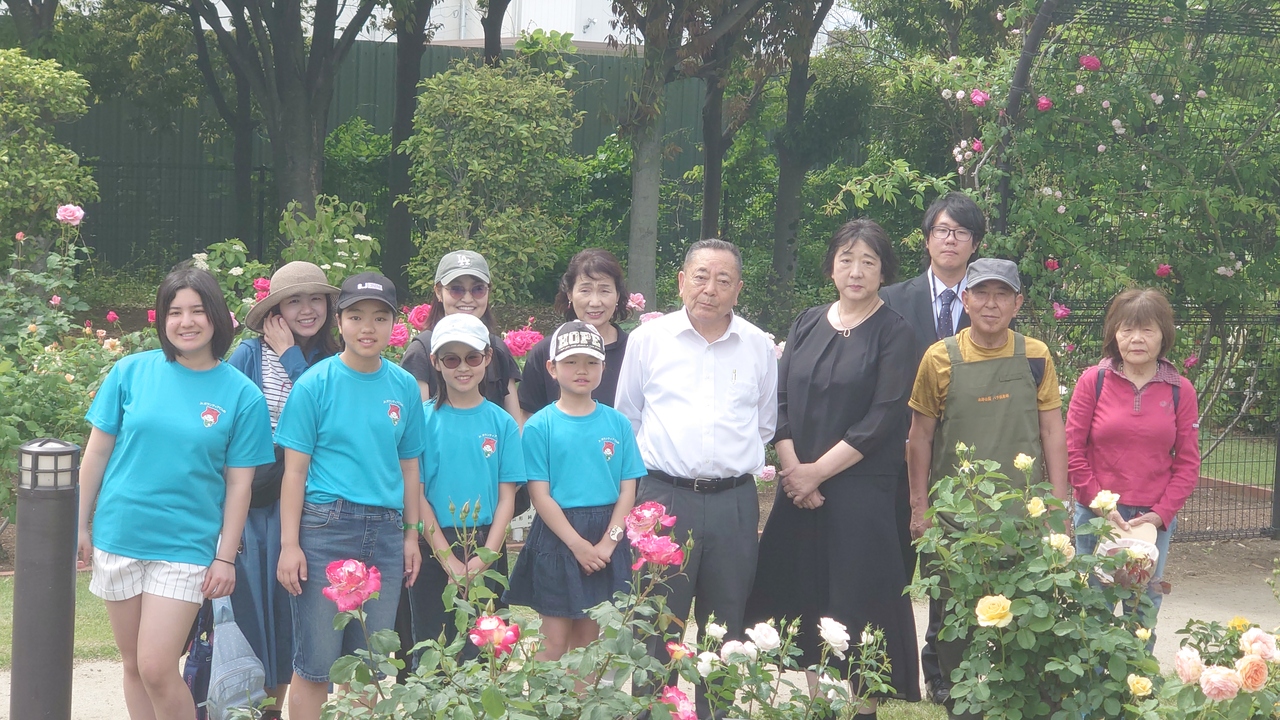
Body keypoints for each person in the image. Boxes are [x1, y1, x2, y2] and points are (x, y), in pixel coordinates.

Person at [77, 263, 274, 720]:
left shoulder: (242, 395)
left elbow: (240, 483)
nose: (186, 322)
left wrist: (225, 557)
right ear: (163, 320)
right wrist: (79, 523)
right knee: (132, 666)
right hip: (119, 534)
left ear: (217, 318)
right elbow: (96, 455)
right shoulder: (129, 372)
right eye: (175, 312)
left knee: (157, 666)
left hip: (186, 547)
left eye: (198, 311)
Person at [746, 220, 920, 716]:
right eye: (846, 259)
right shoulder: (806, 322)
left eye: (868, 261)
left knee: (858, 598)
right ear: (831, 267)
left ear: (884, 270)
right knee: (804, 595)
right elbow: (777, 401)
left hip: (861, 489)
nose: (856, 270)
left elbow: (884, 416)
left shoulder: (895, 332)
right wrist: (794, 470)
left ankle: (861, 707)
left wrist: (816, 473)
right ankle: (821, 702)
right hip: (798, 484)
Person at [615, 238, 778, 716]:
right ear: (682, 281)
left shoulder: (758, 345)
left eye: (723, 280)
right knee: (654, 624)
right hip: (664, 498)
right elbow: (628, 418)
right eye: (701, 276)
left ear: (738, 289)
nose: (711, 289)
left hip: (733, 502)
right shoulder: (649, 340)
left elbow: (763, 423)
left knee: (724, 627)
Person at [905, 258, 1069, 720]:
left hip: (1024, 517)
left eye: (1002, 295)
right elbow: (919, 438)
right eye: (981, 293)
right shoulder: (939, 357)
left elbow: (1053, 432)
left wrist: (1058, 508)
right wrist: (921, 510)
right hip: (957, 519)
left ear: (1018, 303)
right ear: (965, 300)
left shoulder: (1035, 355)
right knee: (955, 624)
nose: (991, 304)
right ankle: (963, 707)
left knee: (1023, 618)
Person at [274, 272, 427, 720]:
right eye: (356, 315)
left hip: (386, 532)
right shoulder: (315, 384)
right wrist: (289, 545)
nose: (367, 327)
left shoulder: (402, 387)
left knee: (372, 665)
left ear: (393, 326)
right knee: (317, 664)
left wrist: (412, 535)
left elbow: (410, 466)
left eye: (380, 318)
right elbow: (294, 473)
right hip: (325, 528)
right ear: (338, 321)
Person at [878, 191, 981, 704]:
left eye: (960, 232)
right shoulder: (892, 299)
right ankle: (886, 673)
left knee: (949, 577)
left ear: (974, 244)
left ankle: (941, 675)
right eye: (942, 229)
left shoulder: (988, 300)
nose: (950, 239)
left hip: (962, 467)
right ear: (926, 239)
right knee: (892, 568)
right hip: (893, 463)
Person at [227, 261, 340, 718]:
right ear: (276, 308)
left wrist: (292, 355)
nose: (307, 308)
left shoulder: (331, 361)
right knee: (253, 608)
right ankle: (259, 708)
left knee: (294, 609)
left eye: (316, 299)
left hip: (304, 501)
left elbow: (328, 415)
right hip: (251, 501)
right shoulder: (248, 356)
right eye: (295, 300)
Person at [504, 321, 644, 660]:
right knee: (552, 641)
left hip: (605, 536)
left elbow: (628, 490)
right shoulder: (540, 425)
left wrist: (609, 542)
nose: (582, 370)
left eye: (591, 362)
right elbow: (540, 494)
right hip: (558, 536)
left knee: (589, 644)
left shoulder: (617, 423)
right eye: (570, 362)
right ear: (552, 368)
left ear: (604, 367)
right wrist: (577, 545)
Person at [1065, 288, 1199, 634]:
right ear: (1114, 334)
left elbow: (1187, 464)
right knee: (1094, 606)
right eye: (1127, 329)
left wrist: (1160, 516)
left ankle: (1136, 686)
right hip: (1097, 517)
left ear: (1163, 335)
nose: (1136, 339)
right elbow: (1074, 451)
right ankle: (1095, 686)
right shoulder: (1092, 382)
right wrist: (1098, 504)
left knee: (1142, 609)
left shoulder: (1180, 390)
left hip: (1150, 522)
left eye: (1147, 330)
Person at [410, 313, 526, 655]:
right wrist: (450, 563)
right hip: (434, 546)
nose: (463, 367)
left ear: (488, 358)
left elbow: (507, 498)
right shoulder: (422, 421)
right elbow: (416, 494)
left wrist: (483, 560)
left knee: (489, 652)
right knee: (434, 651)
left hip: (487, 542)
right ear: (435, 363)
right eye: (451, 358)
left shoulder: (502, 423)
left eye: (472, 357)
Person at [399, 250, 522, 420]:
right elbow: (416, 426)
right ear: (438, 291)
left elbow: (516, 426)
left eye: (478, 289)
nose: (467, 298)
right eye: (456, 290)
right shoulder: (421, 350)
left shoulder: (497, 348)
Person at [519, 248, 632, 414]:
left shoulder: (634, 350)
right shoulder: (546, 351)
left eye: (604, 290)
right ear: (570, 294)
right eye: (585, 290)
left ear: (617, 296)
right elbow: (527, 415)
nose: (595, 302)